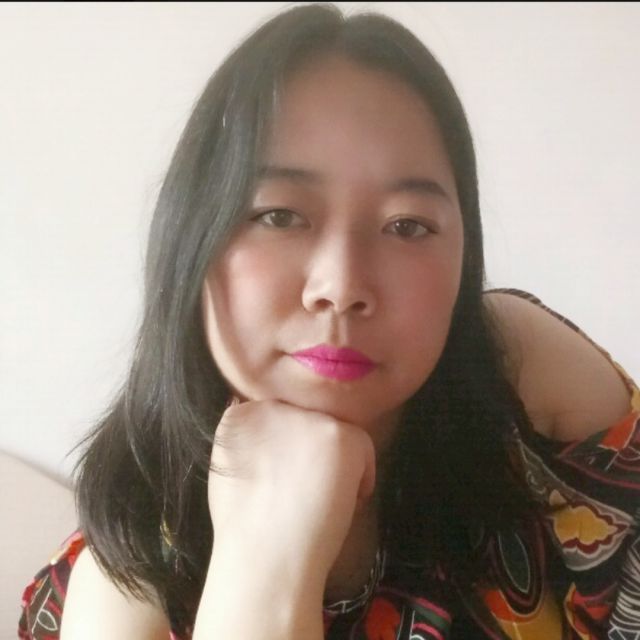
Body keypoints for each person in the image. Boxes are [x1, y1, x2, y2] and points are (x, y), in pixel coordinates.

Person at [18, 3, 639, 639]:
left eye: (407, 225)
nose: (340, 288)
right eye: (279, 216)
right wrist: (263, 561)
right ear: (191, 238)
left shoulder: (517, 377)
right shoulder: (121, 592)